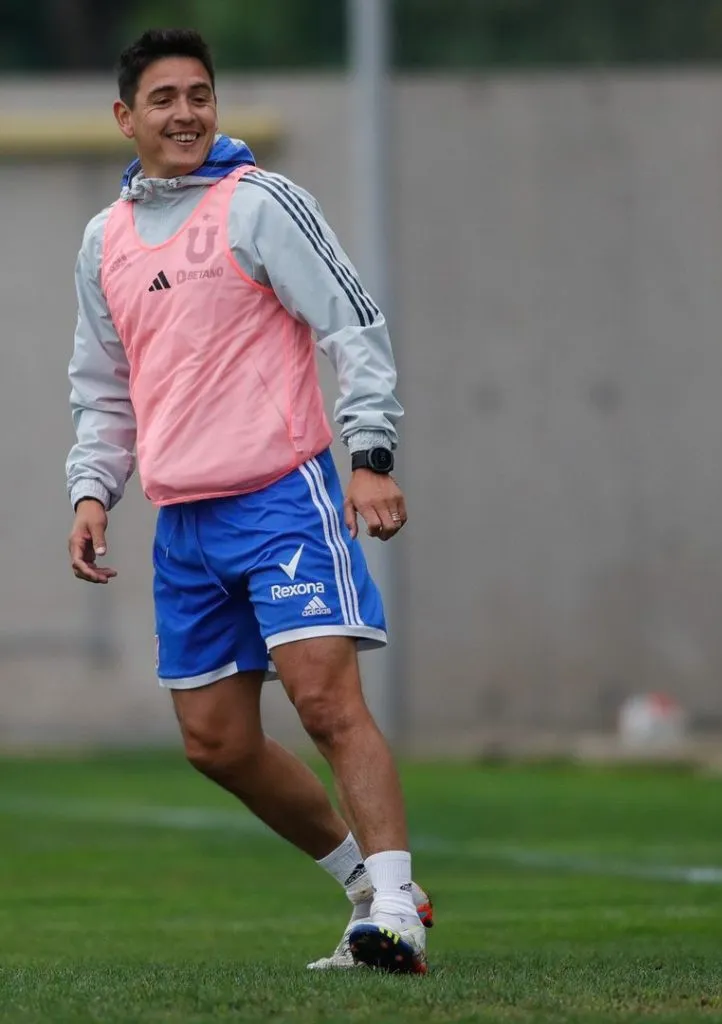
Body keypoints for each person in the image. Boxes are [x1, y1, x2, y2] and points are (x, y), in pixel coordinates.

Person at [65, 27, 431, 974]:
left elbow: (351, 323)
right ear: (126, 118)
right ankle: (366, 888)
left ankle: (398, 912)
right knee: (216, 743)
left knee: (325, 702)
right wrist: (93, 489)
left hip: (282, 499)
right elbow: (104, 387)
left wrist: (370, 455)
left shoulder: (261, 202)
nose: (185, 113)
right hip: (184, 524)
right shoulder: (104, 240)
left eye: (200, 95)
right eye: (164, 99)